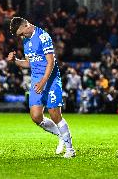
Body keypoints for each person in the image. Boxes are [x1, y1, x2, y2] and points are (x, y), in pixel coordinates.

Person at [7, 17, 76, 158]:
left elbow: (50, 62)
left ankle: (70, 149)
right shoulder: (26, 40)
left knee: (55, 114)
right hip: (37, 81)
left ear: (27, 25)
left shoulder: (43, 36)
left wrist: (43, 81)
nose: (21, 37)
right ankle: (61, 136)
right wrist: (15, 61)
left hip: (50, 79)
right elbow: (29, 63)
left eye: (21, 33)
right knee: (36, 116)